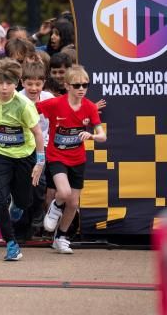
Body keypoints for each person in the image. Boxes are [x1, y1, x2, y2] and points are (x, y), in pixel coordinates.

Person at [0, 58, 45, 261]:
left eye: (9, 83)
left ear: (16, 84)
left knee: (23, 201)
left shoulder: (24, 105)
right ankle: (11, 244)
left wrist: (40, 162)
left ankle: (17, 207)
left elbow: (38, 133)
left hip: (25, 156)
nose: (5, 87)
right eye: (1, 82)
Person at [39, 65, 105, 254]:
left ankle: (60, 238)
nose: (81, 89)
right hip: (56, 156)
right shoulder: (54, 104)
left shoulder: (90, 107)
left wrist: (91, 136)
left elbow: (103, 136)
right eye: (77, 85)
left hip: (78, 159)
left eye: (85, 85)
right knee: (64, 192)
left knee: (74, 203)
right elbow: (30, 112)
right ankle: (55, 206)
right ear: (67, 86)